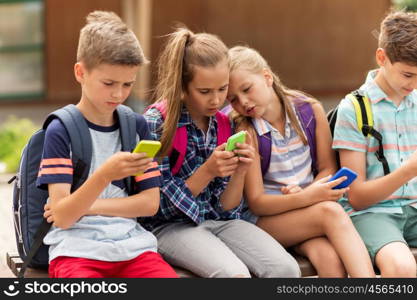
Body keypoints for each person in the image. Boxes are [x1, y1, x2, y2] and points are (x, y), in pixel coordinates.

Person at [143, 28, 300, 278]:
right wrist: (207, 172)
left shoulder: (224, 124)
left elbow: (227, 209)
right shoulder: (157, 124)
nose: (216, 100)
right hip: (169, 227)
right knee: (233, 274)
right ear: (182, 87)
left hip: (219, 222)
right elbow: (155, 207)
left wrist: (239, 172)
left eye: (222, 90)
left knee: (286, 269)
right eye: (205, 92)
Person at [38, 11, 178, 278]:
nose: (119, 94)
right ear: (81, 72)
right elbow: (64, 217)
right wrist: (105, 175)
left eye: (128, 84)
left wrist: (88, 207)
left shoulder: (138, 127)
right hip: (76, 253)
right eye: (109, 83)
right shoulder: (61, 130)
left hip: (134, 249)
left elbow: (149, 204)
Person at [226, 45, 375, 277]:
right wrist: (308, 197)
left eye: (247, 89)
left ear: (266, 77)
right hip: (265, 222)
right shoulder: (247, 131)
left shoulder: (309, 110)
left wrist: (311, 192)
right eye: (233, 99)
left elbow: (327, 167)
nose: (243, 102)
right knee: (331, 212)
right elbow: (256, 202)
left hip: (307, 211)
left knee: (330, 261)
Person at [333, 11, 417, 277]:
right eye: (407, 75)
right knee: (402, 268)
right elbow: (357, 197)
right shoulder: (354, 109)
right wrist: (408, 170)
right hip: (374, 213)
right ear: (382, 58)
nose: (414, 84)